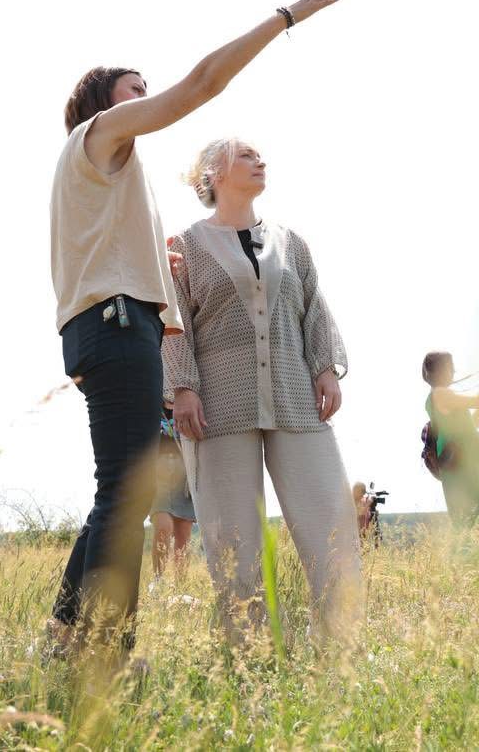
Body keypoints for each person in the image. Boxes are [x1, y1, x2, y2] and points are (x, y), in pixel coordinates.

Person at [48, 0, 347, 654]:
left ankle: (66, 631)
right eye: (134, 87)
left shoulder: (104, 174)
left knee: (119, 490)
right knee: (124, 496)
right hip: (118, 325)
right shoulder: (99, 135)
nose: (148, 93)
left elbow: (100, 253)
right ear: (103, 103)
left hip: (106, 324)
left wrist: (154, 259)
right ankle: (104, 651)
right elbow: (203, 83)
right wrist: (285, 18)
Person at [163, 138, 363, 643]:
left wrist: (325, 368)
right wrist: (182, 387)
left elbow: (313, 306)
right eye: (247, 154)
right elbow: (174, 321)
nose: (260, 161)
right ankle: (250, 657)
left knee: (330, 526)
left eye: (259, 155)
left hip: (297, 396)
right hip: (217, 405)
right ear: (213, 171)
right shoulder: (184, 246)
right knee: (233, 541)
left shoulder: (290, 241)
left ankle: (339, 650)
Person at [422, 353, 479, 531]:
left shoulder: (437, 397)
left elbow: (472, 424)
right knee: (475, 511)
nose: (454, 371)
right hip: (463, 461)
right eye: (451, 367)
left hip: (461, 456)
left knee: (471, 513)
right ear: (444, 370)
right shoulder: (441, 393)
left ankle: (478, 554)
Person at [149, 405, 196, 580]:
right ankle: (158, 581)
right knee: (163, 527)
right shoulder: (152, 396)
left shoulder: (186, 397)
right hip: (156, 471)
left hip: (185, 469)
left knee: (183, 534)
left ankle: (181, 586)